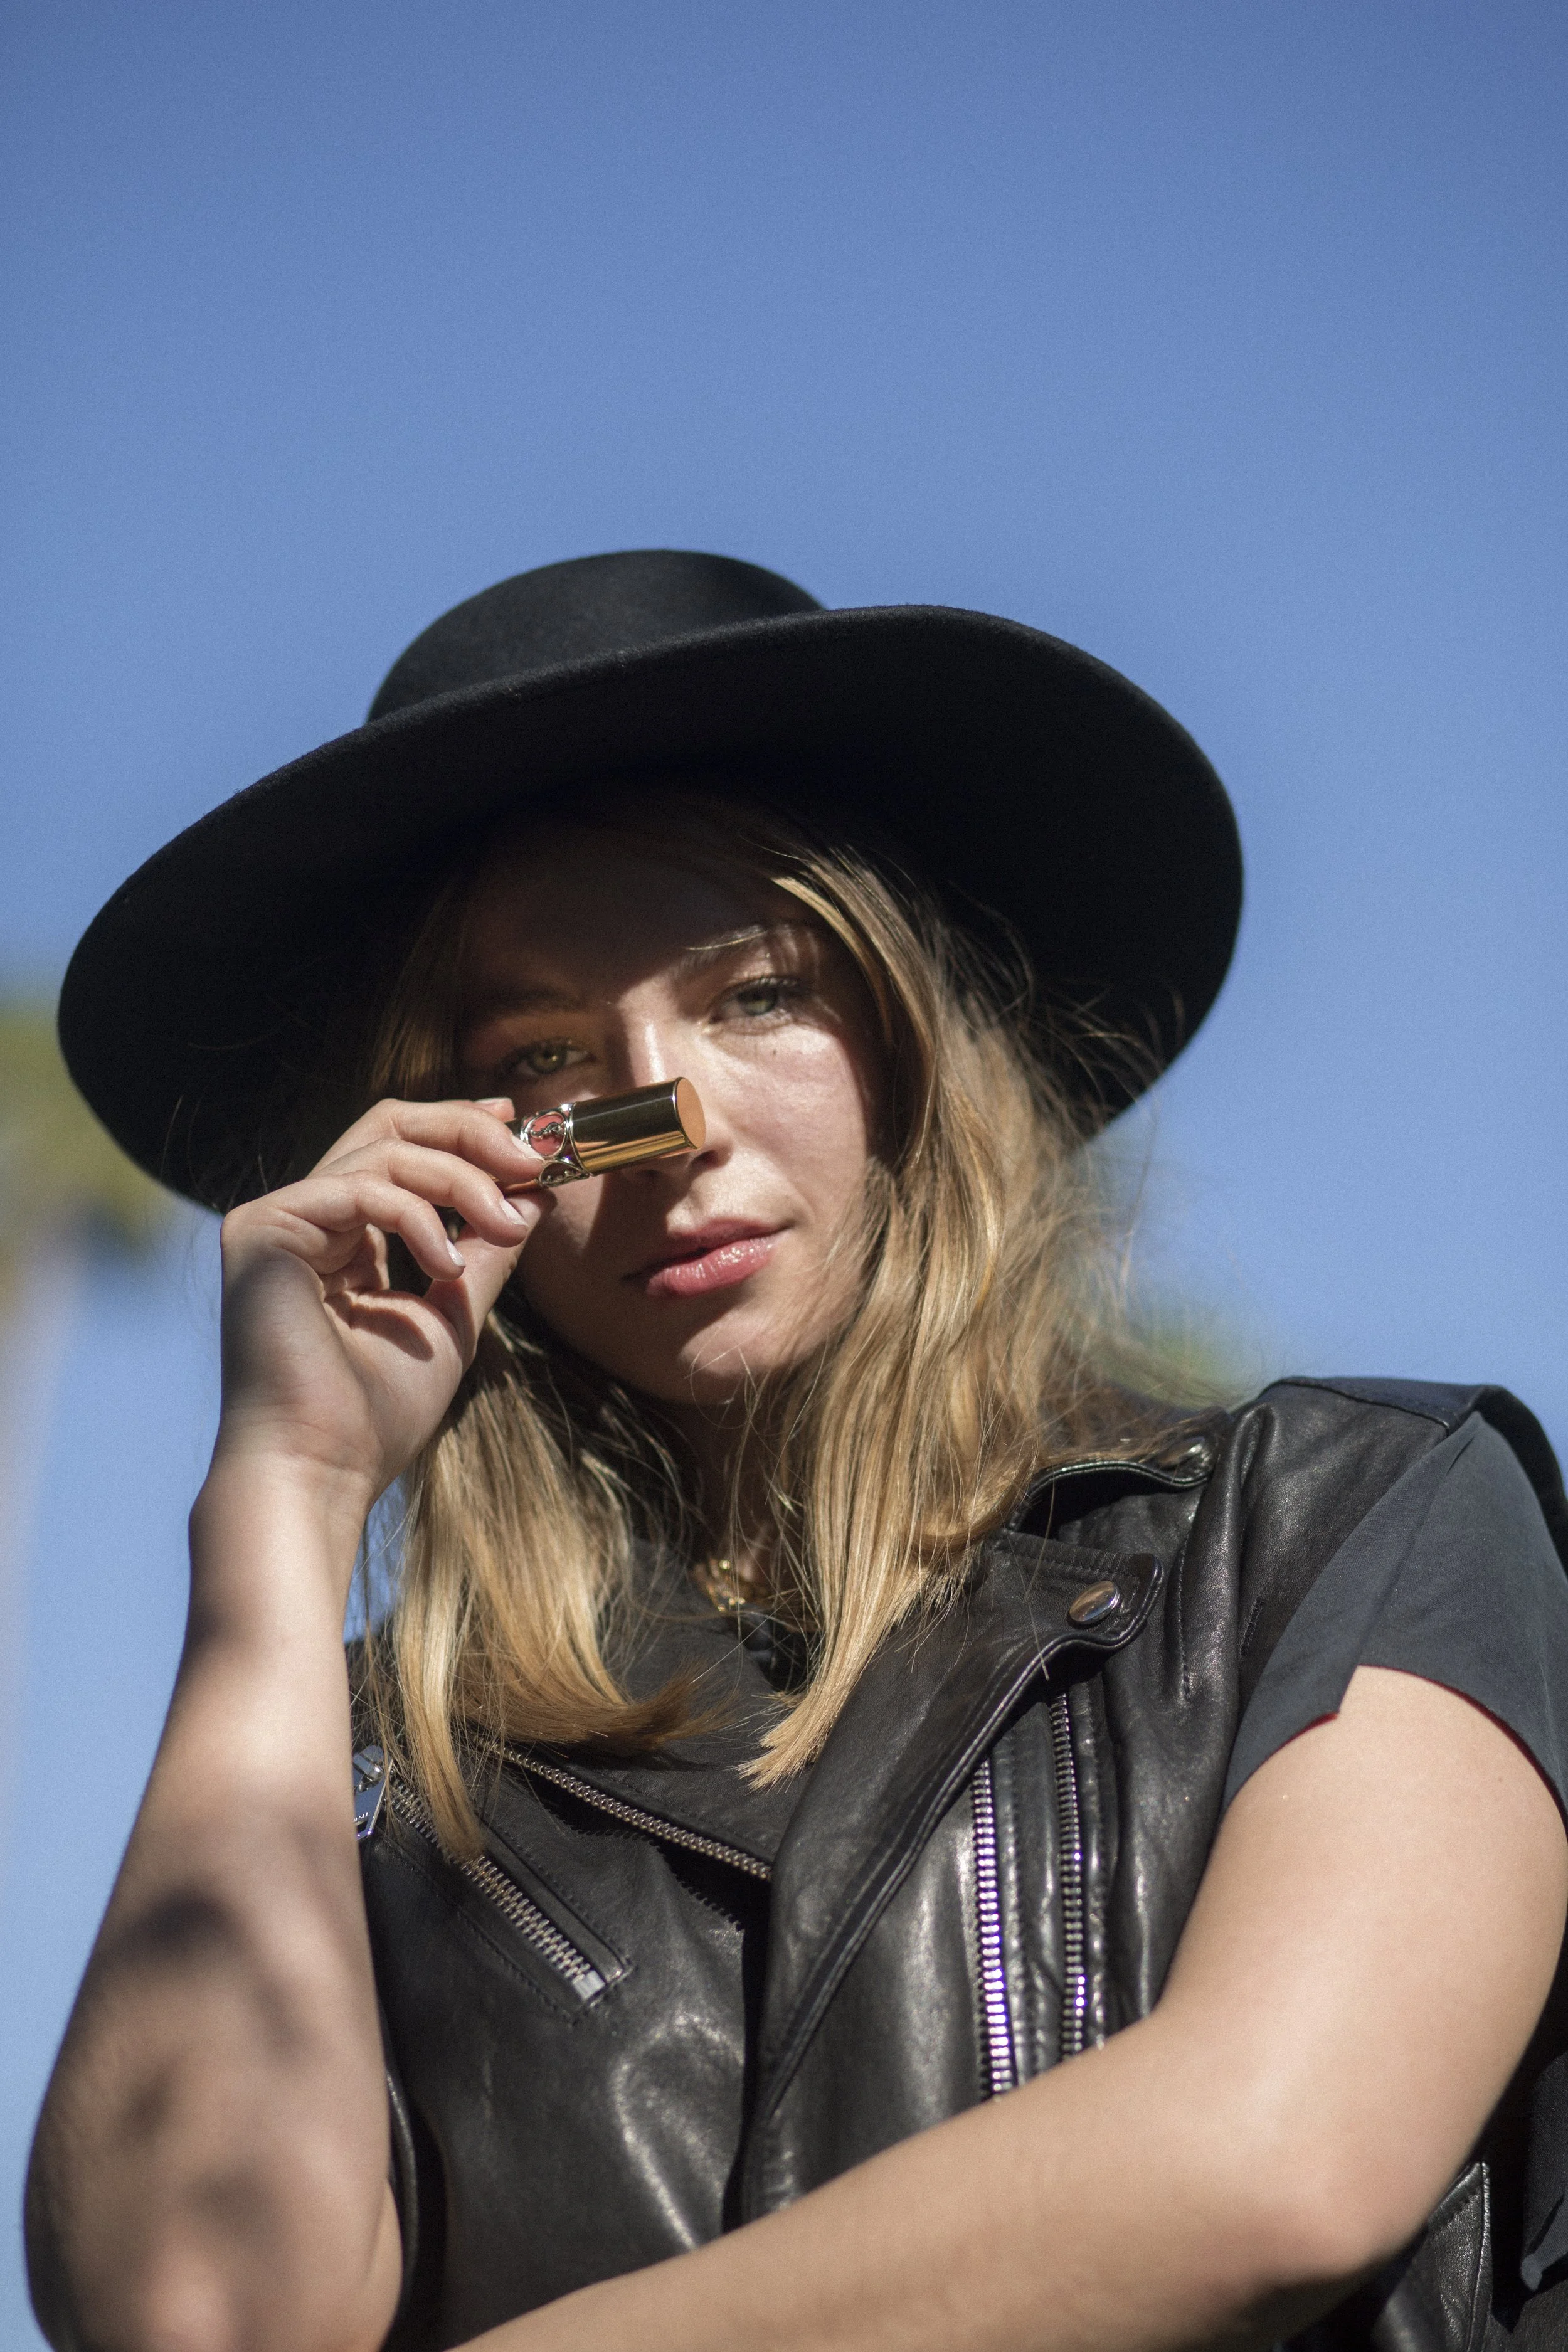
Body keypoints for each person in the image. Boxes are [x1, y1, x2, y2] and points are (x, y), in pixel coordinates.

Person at [27, 550, 1568, 2352]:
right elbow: (194, 2314)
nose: (669, 1128)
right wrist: (282, 1506)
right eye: (546, 1061)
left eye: (755, 994)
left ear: (901, 1040)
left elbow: (1272, 2151)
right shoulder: (369, 1764)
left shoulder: (1339, 1523)